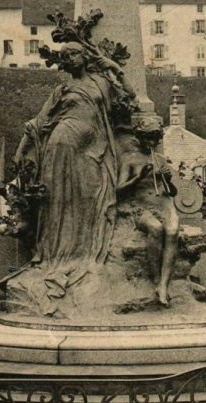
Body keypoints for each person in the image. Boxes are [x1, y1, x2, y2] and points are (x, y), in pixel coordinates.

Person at [9, 42, 136, 315]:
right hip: (60, 146)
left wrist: (113, 67)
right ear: (65, 62)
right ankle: (59, 255)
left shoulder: (101, 82)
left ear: (85, 57)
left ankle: (84, 254)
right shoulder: (62, 90)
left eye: (76, 53)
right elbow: (36, 123)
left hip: (92, 149)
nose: (72, 58)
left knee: (91, 198)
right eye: (67, 56)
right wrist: (20, 152)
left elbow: (131, 96)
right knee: (60, 202)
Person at [116, 115, 180, 307]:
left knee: (173, 231)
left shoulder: (160, 159)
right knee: (156, 229)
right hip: (141, 205)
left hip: (164, 203)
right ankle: (154, 279)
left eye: (155, 138)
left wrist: (167, 179)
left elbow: (173, 192)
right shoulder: (130, 159)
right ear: (140, 137)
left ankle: (163, 285)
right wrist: (138, 177)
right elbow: (118, 190)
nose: (152, 142)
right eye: (148, 138)